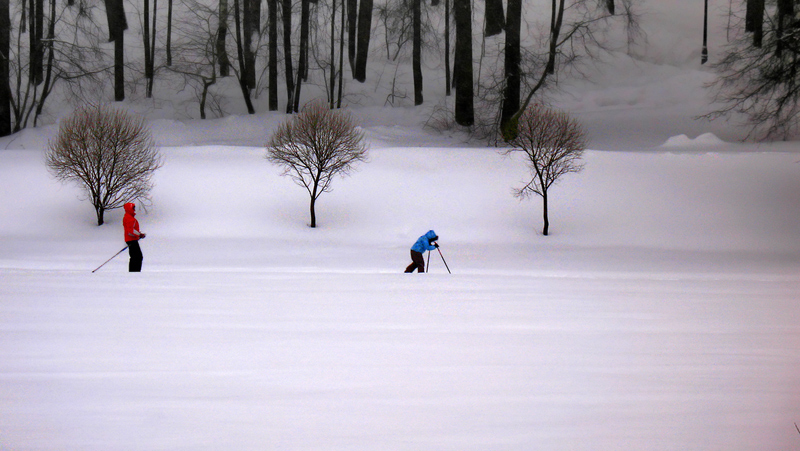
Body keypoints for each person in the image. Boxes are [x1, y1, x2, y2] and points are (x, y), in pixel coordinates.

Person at [123, 202, 146, 272]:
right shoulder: (129, 218)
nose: (134, 210)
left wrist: (138, 235)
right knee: (137, 257)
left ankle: (134, 272)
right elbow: (131, 231)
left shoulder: (129, 217)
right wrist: (139, 235)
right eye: (133, 208)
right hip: (132, 240)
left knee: (135, 257)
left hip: (131, 239)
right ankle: (134, 272)